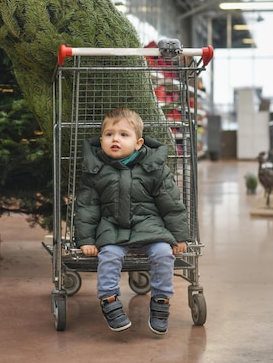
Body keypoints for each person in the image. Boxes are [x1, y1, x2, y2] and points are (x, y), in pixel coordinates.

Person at [74, 107, 189, 335]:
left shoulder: (154, 169)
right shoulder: (95, 170)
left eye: (123, 135)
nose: (115, 139)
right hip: (112, 228)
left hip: (149, 226)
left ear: (138, 143)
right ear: (101, 140)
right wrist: (86, 240)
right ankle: (109, 299)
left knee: (163, 253)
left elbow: (171, 204)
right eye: (109, 134)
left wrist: (179, 236)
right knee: (109, 256)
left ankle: (161, 300)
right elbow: (87, 207)